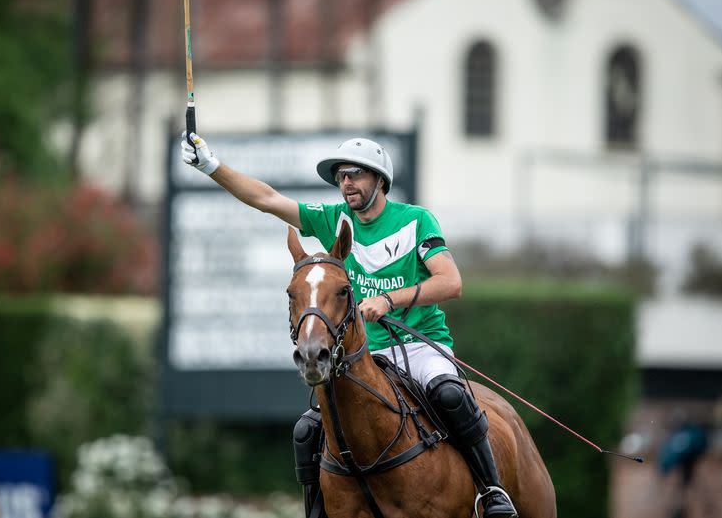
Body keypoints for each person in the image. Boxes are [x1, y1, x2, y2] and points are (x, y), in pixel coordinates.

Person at [182, 132, 518, 518]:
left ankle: (492, 494)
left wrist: (389, 299)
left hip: (421, 347)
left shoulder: (415, 221)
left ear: (379, 180)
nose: (347, 183)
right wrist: (211, 166)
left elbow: (451, 282)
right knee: (307, 431)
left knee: (451, 396)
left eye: (356, 174)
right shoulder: (332, 221)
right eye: (341, 176)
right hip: (363, 357)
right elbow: (266, 199)